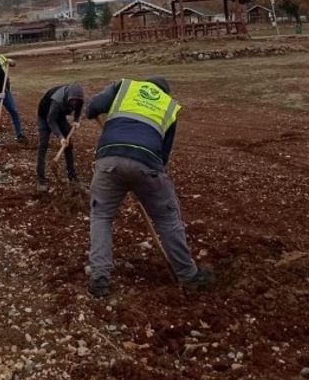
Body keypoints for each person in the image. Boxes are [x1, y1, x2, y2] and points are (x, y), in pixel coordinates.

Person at [84, 76, 213, 298]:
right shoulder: (169, 106)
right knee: (167, 219)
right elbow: (163, 156)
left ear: (146, 85)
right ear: (165, 93)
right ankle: (188, 275)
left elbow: (91, 108)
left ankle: (100, 278)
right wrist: (140, 179)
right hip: (147, 164)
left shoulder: (124, 87)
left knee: (102, 216)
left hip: (108, 160)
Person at [36, 83, 84, 192]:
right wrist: (60, 137)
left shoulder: (79, 99)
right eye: (73, 101)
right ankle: (40, 178)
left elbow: (79, 108)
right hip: (45, 117)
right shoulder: (57, 101)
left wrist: (76, 120)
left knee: (69, 145)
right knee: (43, 144)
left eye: (77, 101)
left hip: (60, 116)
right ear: (68, 97)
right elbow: (50, 120)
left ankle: (72, 177)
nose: (75, 103)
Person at [0, 49, 25, 143]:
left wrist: (11, 62)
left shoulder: (2, 58)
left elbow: (13, 64)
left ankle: (19, 134)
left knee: (14, 111)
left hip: (5, 91)